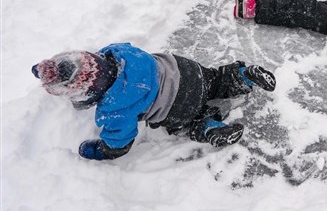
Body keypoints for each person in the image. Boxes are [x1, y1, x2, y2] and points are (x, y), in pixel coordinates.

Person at [31, 42, 276, 160]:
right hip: (187, 71)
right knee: (216, 79)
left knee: (189, 121)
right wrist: (50, 70)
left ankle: (209, 127)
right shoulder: (118, 52)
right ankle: (243, 76)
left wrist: (101, 150)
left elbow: (119, 142)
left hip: (179, 105)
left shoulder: (114, 109)